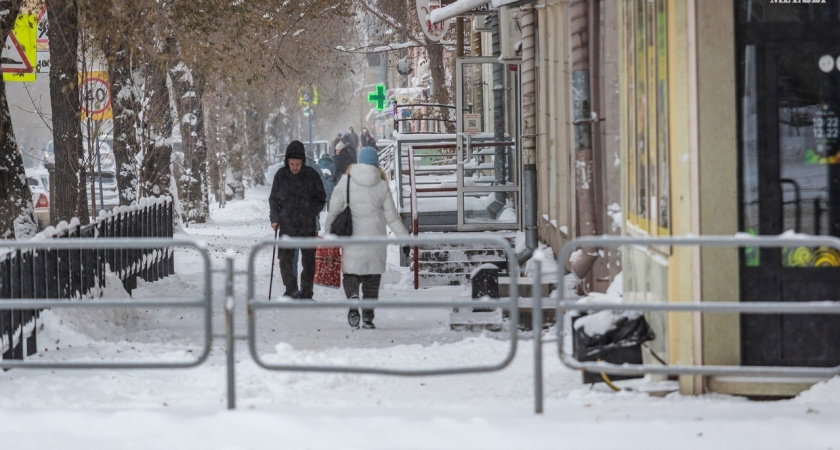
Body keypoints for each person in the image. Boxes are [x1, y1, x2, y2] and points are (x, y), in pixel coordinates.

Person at [324, 146, 409, 329]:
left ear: (359, 162)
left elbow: (333, 211)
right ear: (376, 164)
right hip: (375, 242)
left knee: (351, 274)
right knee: (372, 281)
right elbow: (392, 217)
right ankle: (368, 317)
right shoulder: (382, 185)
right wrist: (404, 240)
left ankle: (353, 297)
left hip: (351, 240)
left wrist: (327, 235)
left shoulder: (345, 181)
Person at [269, 140, 326, 299]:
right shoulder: (281, 175)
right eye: (292, 163)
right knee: (285, 259)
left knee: (308, 261)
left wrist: (311, 212)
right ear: (287, 161)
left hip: (307, 225)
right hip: (287, 224)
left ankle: (307, 291)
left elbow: (321, 198)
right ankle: (291, 288)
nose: (294, 167)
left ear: (303, 162)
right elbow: (274, 199)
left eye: (298, 164)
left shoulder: (311, 175)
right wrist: (275, 218)